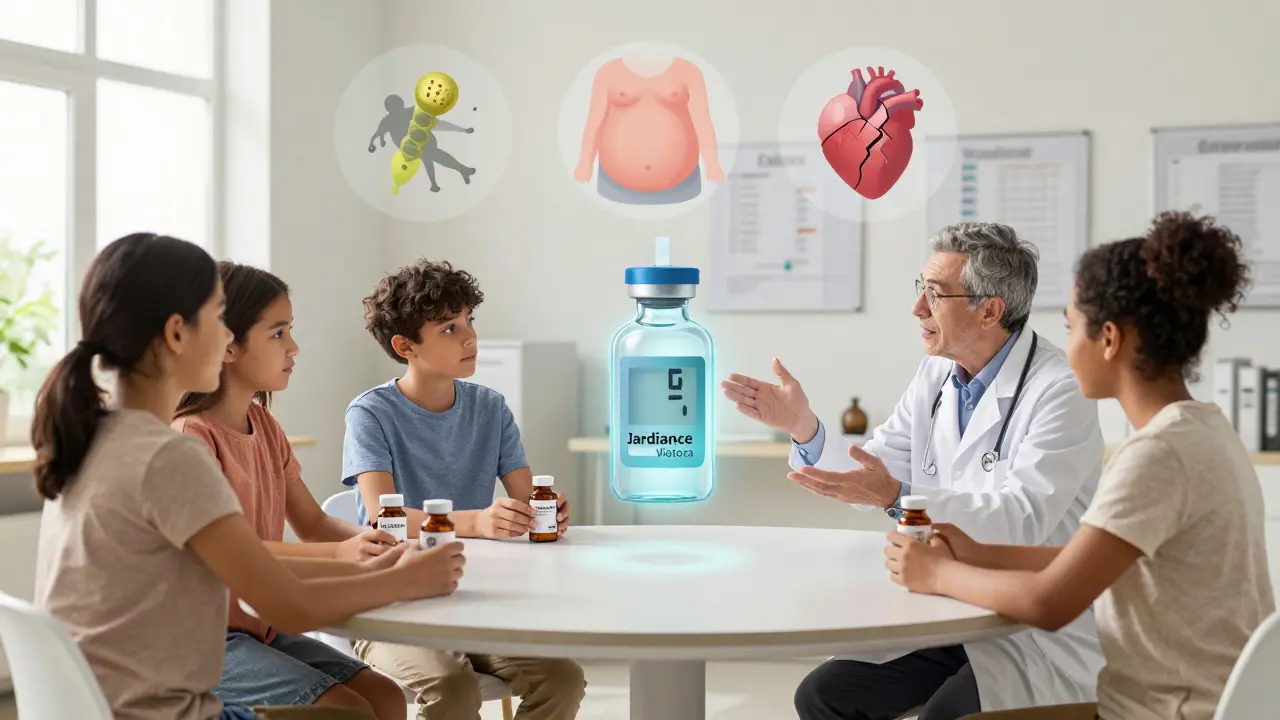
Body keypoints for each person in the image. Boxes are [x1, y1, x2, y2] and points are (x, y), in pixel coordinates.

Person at [33, 233, 466, 720]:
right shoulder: (170, 455)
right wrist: (407, 580)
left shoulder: (97, 434)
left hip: (94, 698)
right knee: (348, 716)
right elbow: (290, 607)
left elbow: (276, 571)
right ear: (177, 334)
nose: (226, 338)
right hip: (156, 706)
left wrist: (376, 566)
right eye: (218, 318)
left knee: (381, 700)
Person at [887, 212, 1276, 720]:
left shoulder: (1158, 456)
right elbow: (1085, 558)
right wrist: (976, 552)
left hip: (1164, 711)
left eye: (1072, 328)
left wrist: (940, 573)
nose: (1063, 349)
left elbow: (1049, 603)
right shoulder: (1201, 429)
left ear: (1109, 339)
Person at [722, 222, 1105, 719]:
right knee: (823, 695)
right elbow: (875, 471)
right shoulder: (937, 373)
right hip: (947, 604)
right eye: (920, 288)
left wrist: (899, 496)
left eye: (935, 294)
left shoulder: (1060, 390)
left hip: (1028, 622)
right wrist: (804, 427)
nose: (917, 308)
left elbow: (1022, 519)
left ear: (990, 311)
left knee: (943, 716)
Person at [341, 259, 585, 720]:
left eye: (469, 320)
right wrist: (477, 521)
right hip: (389, 604)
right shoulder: (370, 414)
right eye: (449, 329)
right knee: (451, 687)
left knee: (562, 678)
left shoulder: (491, 408)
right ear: (405, 346)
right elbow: (383, 517)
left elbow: (528, 497)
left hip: (473, 600)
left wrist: (546, 511)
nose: (470, 337)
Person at [173, 262, 406, 719]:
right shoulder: (191, 439)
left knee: (387, 698)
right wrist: (345, 555)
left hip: (258, 627)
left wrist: (387, 544)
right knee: (347, 712)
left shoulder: (264, 424)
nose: (293, 347)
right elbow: (236, 554)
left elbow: (313, 523)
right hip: (199, 641)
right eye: (278, 333)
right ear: (227, 346)